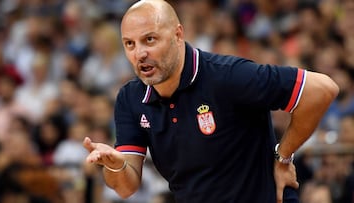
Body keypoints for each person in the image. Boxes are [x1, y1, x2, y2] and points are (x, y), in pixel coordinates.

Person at [83, 0, 339, 202]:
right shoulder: (130, 98)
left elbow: (321, 89)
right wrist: (115, 166)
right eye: (129, 44)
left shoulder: (227, 76)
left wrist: (283, 156)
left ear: (178, 35)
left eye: (150, 39)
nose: (140, 53)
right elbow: (127, 188)